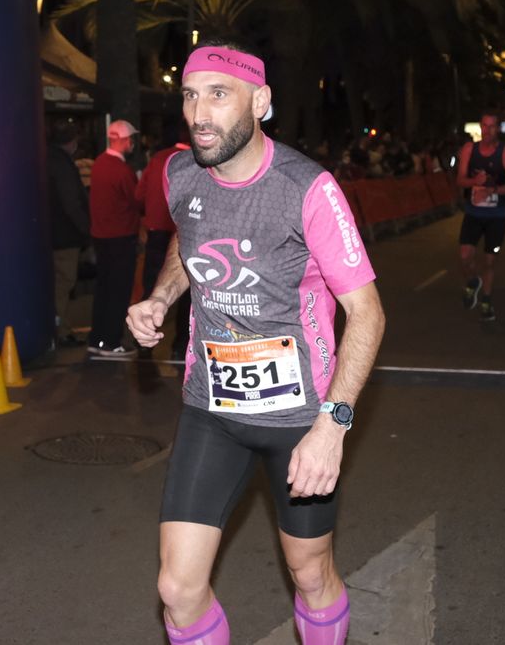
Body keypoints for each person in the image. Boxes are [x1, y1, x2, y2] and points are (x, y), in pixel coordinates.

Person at [126, 40, 385, 645]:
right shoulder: (180, 172)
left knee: (310, 573)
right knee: (177, 589)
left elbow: (367, 315)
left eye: (219, 95)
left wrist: (333, 426)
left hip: (300, 419)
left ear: (260, 102)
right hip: (211, 408)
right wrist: (162, 296)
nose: (199, 114)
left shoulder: (308, 188)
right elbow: (188, 240)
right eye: (190, 96)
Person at [455, 112, 505, 320]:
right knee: (465, 256)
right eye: (484, 126)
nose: (487, 130)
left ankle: (486, 301)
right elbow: (460, 180)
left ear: (498, 129)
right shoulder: (469, 149)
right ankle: (473, 281)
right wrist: (474, 182)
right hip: (473, 213)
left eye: (492, 126)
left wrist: (491, 190)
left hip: (497, 216)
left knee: (490, 261)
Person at [88, 119, 141, 359]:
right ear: (124, 140)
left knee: (103, 290)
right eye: (131, 139)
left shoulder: (99, 164)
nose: (132, 144)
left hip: (101, 237)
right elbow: (136, 200)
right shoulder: (122, 170)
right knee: (118, 292)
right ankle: (110, 341)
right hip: (121, 237)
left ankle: (97, 338)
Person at [140, 125, 192, 359]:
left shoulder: (159, 159)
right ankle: (180, 346)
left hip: (157, 233)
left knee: (152, 287)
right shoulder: (197, 162)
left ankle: (144, 341)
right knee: (188, 294)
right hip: (182, 233)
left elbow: (139, 195)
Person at [46, 120, 90, 346]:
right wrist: (87, 229)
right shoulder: (62, 164)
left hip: (52, 234)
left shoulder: (47, 158)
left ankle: (58, 328)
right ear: (72, 142)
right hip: (64, 237)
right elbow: (71, 203)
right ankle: (60, 331)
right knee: (64, 284)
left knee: (57, 285)